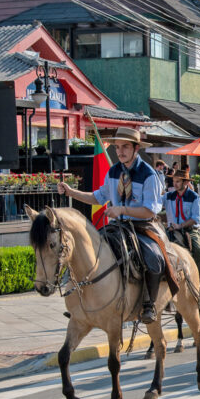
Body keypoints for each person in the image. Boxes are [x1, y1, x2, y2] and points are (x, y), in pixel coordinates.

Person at [57, 127, 169, 323]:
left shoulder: (148, 174)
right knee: (86, 251)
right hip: (117, 227)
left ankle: (149, 305)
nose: (120, 151)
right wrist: (70, 192)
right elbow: (97, 197)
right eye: (117, 147)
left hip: (142, 227)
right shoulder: (113, 171)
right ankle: (83, 302)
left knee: (154, 259)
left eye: (125, 147)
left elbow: (150, 211)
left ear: (136, 148)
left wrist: (122, 210)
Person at [162, 168, 200, 273]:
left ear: (186, 182)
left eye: (177, 181)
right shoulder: (168, 196)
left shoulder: (194, 197)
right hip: (170, 230)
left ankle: (198, 278)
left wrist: (180, 225)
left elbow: (196, 218)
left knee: (199, 251)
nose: (174, 184)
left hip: (189, 231)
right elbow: (156, 204)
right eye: (174, 181)